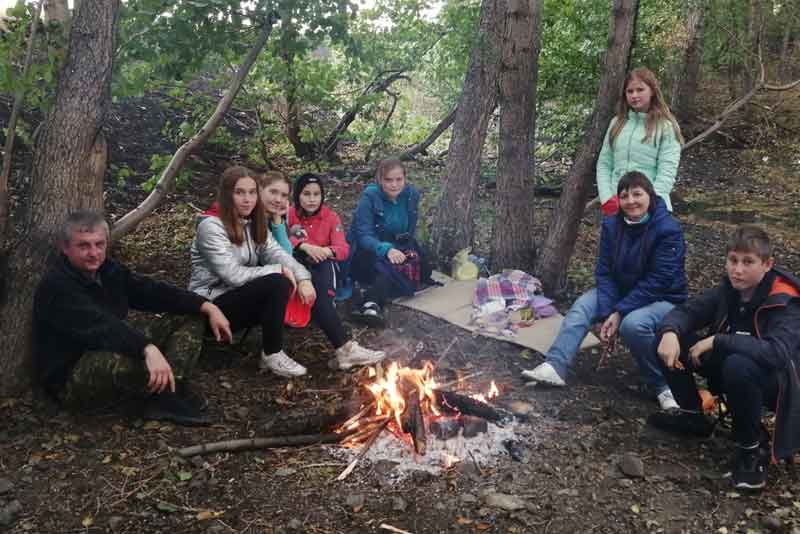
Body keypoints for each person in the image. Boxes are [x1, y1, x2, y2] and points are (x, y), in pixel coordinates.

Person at [33, 210, 232, 426]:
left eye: (99, 244)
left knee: (192, 316)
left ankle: (168, 392)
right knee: (139, 356)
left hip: (109, 348)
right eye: (84, 245)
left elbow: (150, 291)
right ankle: (168, 392)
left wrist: (207, 306)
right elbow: (101, 326)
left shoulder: (108, 270)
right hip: (72, 375)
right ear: (65, 247)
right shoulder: (56, 286)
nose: (94, 253)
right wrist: (148, 348)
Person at [647, 226, 800, 491]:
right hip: (732, 368)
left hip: (780, 381)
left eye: (747, 262)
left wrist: (718, 340)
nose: (737, 270)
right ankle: (693, 415)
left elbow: (777, 353)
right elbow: (688, 311)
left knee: (738, 365)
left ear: (767, 265)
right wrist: (670, 332)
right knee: (666, 340)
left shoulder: (786, 301)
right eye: (732, 260)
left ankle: (751, 449)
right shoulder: (728, 289)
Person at [522, 172, 687, 410]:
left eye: (637, 194)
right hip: (620, 292)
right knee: (581, 308)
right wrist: (611, 310)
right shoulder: (612, 224)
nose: (631, 201)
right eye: (624, 196)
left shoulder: (667, 229)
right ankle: (555, 366)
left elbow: (658, 281)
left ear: (650, 195)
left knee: (633, 325)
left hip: (663, 298)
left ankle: (664, 385)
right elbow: (604, 271)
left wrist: (619, 313)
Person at [190, 165, 316, 378]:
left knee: (289, 280)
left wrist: (303, 278)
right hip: (209, 308)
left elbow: (278, 253)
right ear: (227, 194)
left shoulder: (252, 223)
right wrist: (279, 270)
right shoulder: (211, 226)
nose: (247, 199)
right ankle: (272, 352)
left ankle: (340, 347)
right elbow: (232, 274)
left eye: (251, 192)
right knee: (277, 282)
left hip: (236, 299)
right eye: (239, 192)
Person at [271, 172, 386, 369]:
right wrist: (303, 245)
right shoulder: (288, 214)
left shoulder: (330, 217)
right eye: (306, 194)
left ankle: (345, 350)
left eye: (316, 194)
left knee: (322, 294)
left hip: (323, 263)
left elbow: (343, 249)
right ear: (298, 195)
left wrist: (326, 250)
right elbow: (275, 239)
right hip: (293, 261)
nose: (312, 199)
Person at [346, 158, 432, 326]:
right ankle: (370, 303)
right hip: (369, 250)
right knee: (388, 271)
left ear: (405, 179)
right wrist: (386, 250)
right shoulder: (370, 198)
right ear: (380, 179)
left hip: (399, 245)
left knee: (425, 271)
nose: (394, 185)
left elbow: (410, 229)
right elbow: (363, 235)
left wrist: (406, 250)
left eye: (399, 179)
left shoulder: (410, 195)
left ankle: (375, 287)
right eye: (388, 180)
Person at [596, 67, 684, 216]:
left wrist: (650, 203)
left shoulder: (665, 126)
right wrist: (607, 199)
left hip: (652, 208)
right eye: (630, 91)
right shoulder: (617, 123)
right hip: (617, 206)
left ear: (652, 91)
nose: (634, 95)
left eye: (640, 90)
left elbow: (667, 169)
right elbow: (604, 163)